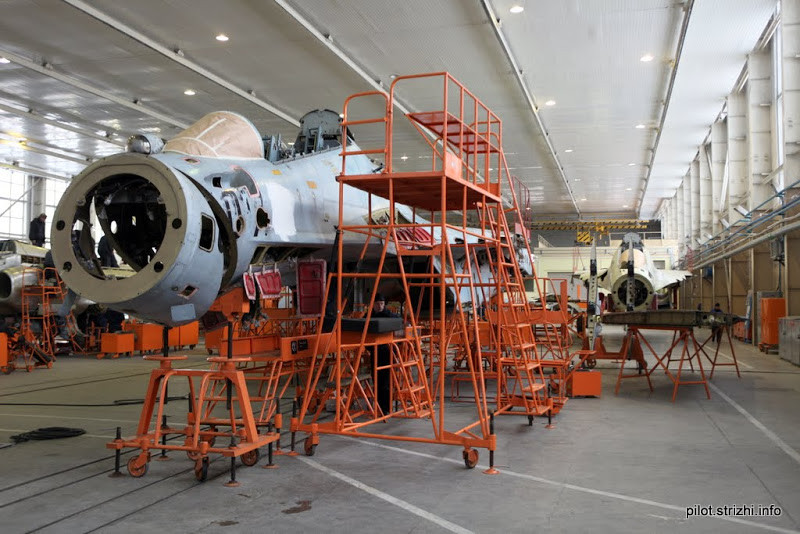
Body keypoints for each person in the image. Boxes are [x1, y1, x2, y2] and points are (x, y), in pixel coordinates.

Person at [370, 293, 398, 415]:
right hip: (374, 352)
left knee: (385, 382)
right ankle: (378, 407)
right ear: (373, 304)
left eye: (381, 304)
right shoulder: (369, 316)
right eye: (377, 304)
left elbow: (398, 320)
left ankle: (386, 408)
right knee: (375, 380)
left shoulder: (389, 315)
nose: (380, 306)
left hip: (386, 352)